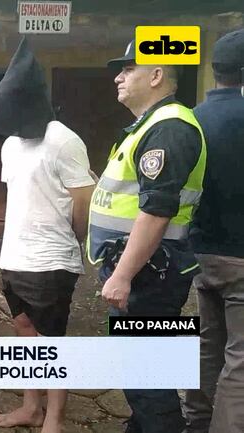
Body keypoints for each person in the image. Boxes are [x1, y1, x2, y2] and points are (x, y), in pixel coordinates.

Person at [87, 39, 206, 433]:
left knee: (147, 379)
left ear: (156, 75)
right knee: (139, 372)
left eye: (128, 69)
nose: (118, 78)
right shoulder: (151, 126)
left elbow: (157, 210)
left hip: (150, 276)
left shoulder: (169, 128)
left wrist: (122, 275)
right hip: (146, 271)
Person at [0, 37, 95, 433]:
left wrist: (76, 237)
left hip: (51, 262)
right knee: (25, 333)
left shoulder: (64, 141)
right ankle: (31, 408)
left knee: (52, 342)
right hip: (14, 257)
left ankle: (54, 420)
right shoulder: (11, 145)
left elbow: (84, 199)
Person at [183, 28, 244, 433]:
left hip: (200, 250)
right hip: (240, 255)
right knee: (240, 357)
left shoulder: (191, 118)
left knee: (208, 342)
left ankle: (196, 419)